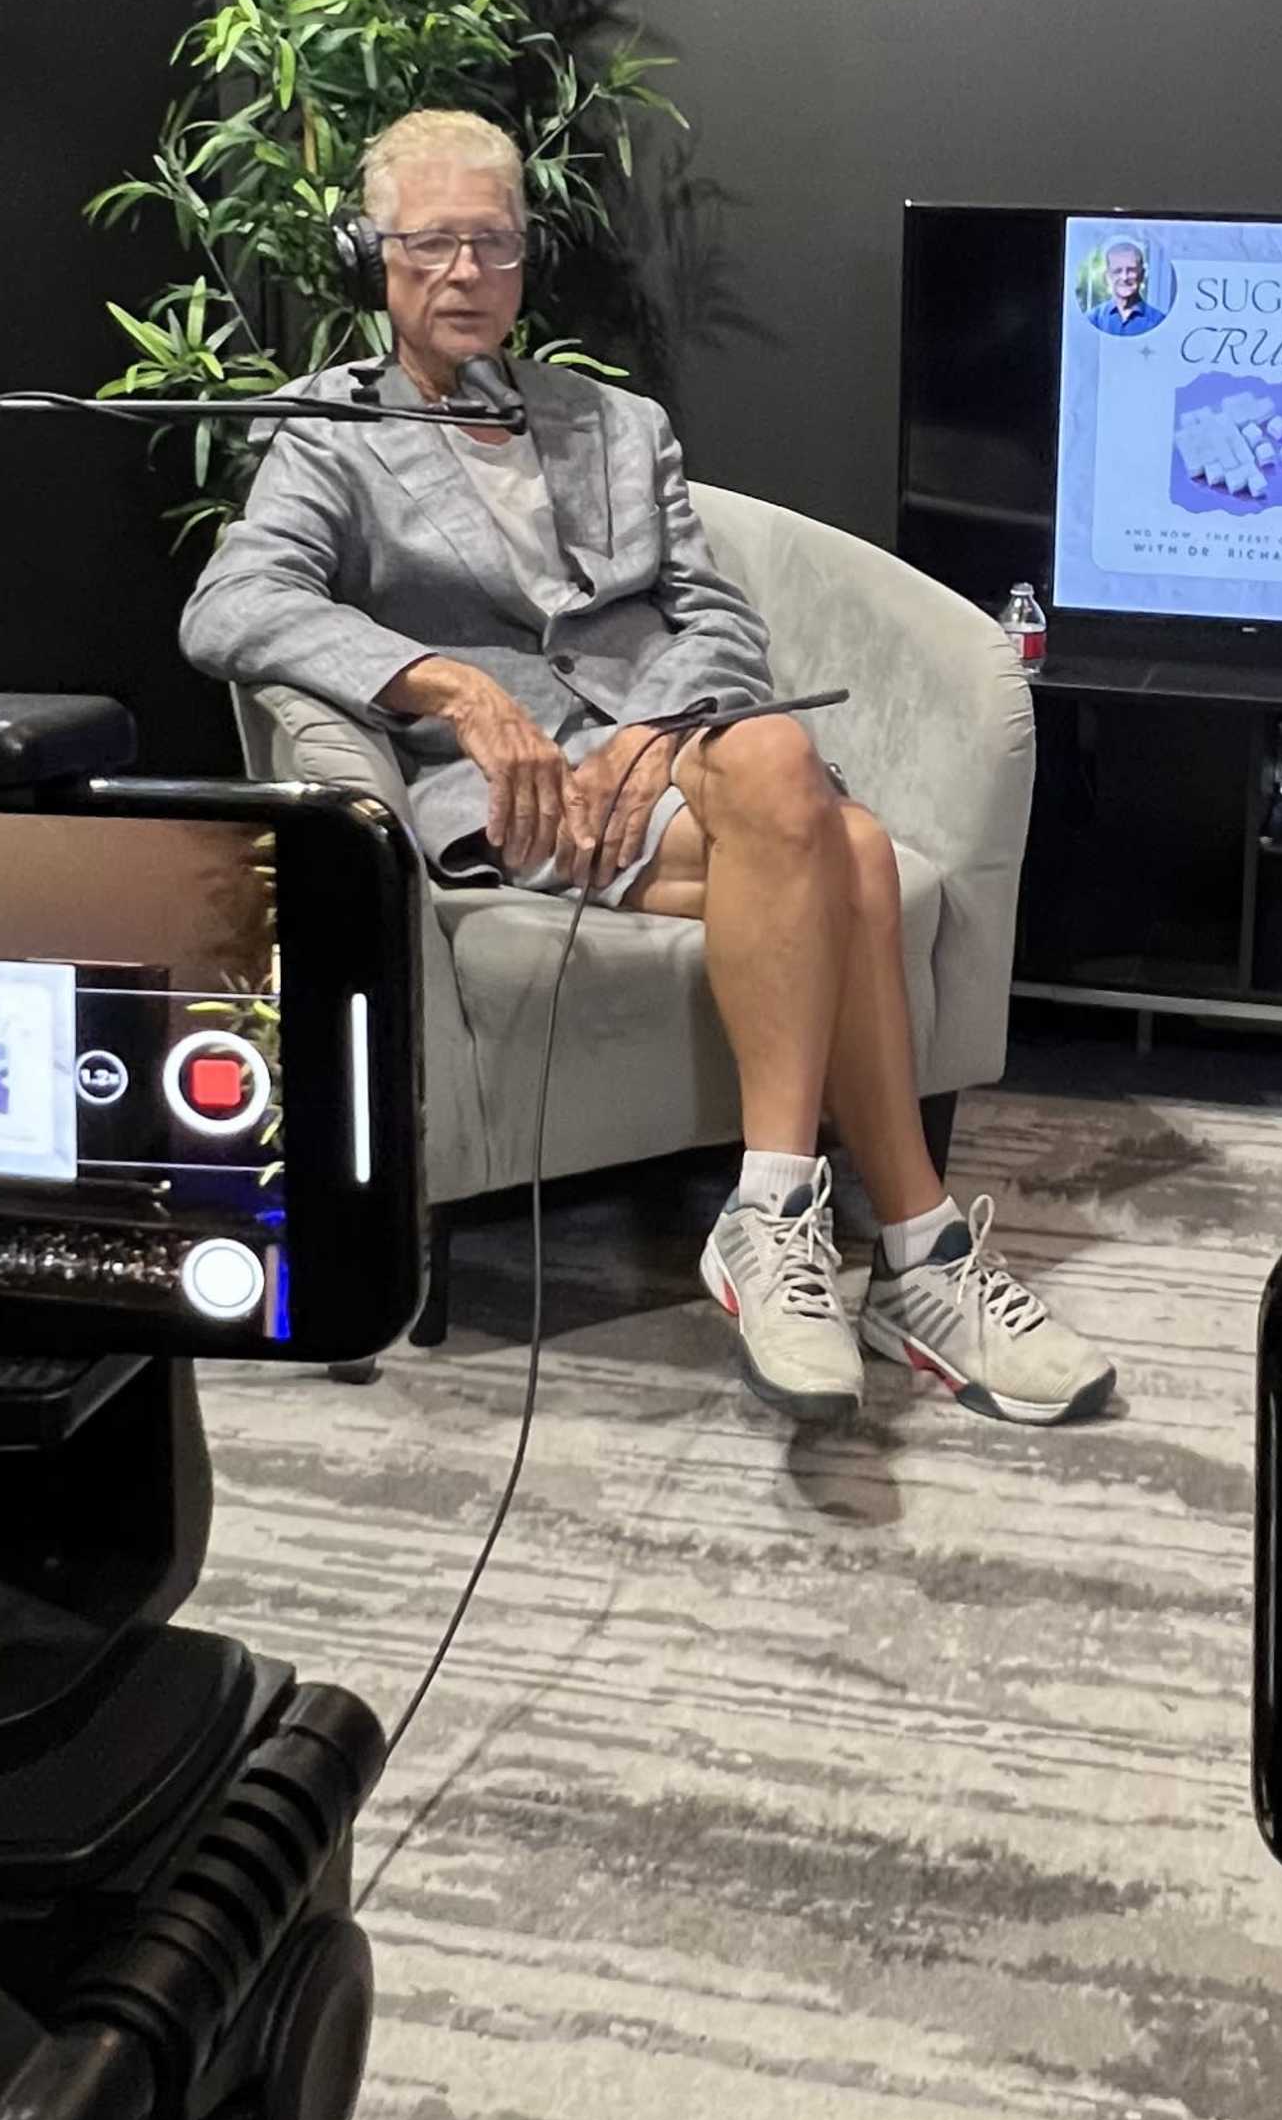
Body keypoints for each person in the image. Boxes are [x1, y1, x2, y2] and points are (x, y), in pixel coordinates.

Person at [180, 106, 1115, 1440]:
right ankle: (911, 1251)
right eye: (431, 243)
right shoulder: (329, 435)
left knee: (801, 798)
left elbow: (720, 620)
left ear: (524, 258)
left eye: (490, 244)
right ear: (377, 257)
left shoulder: (619, 426)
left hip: (674, 763)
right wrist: (448, 684)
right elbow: (233, 610)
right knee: (834, 840)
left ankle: (796, 1218)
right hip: (514, 798)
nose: (463, 274)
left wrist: (656, 731)